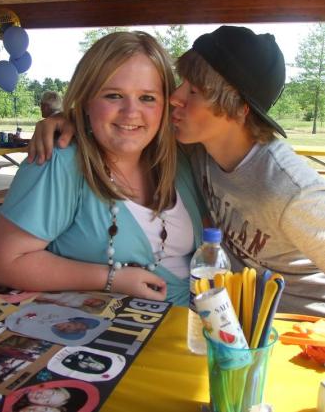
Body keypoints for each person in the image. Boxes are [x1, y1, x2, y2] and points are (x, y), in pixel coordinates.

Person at [27, 26, 325, 315]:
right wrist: (70, 119)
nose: (175, 97)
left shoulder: (289, 190)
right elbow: (123, 118)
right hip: (237, 319)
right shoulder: (197, 148)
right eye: (181, 83)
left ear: (238, 108)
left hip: (298, 331)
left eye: (194, 91)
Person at [0, 31, 204, 306]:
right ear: (87, 99)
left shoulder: (179, 158)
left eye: (147, 98)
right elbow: (3, 263)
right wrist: (112, 277)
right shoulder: (60, 161)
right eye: (113, 95)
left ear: (166, 104)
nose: (130, 112)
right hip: (115, 335)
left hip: (195, 330)